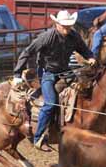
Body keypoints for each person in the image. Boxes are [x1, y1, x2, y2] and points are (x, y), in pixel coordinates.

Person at [12, 10, 96, 151]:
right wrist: (17, 74)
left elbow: (84, 49)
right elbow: (27, 52)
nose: (66, 28)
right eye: (64, 25)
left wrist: (91, 57)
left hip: (65, 71)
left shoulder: (73, 36)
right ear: (57, 24)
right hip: (47, 72)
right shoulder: (46, 37)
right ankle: (38, 138)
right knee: (50, 103)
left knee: (85, 90)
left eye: (69, 26)